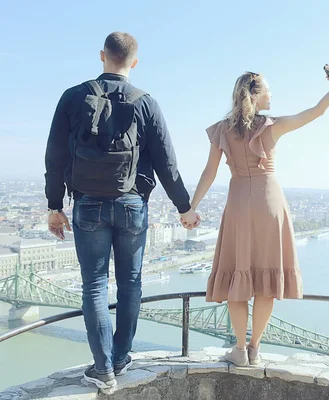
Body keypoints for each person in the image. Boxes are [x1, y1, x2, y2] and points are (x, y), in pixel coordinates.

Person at [44, 32, 200, 389]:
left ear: (102, 56)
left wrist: (55, 206)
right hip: (132, 205)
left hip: (87, 204)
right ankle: (120, 357)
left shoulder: (73, 97)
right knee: (130, 283)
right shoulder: (147, 103)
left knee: (94, 286)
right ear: (134, 62)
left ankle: (102, 369)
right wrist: (184, 207)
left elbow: (55, 157)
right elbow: (167, 164)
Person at [189, 65, 329, 366]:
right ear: (257, 96)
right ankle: (255, 348)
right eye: (269, 90)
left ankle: (238, 349)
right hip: (269, 203)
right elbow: (317, 111)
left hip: (238, 204)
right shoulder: (272, 126)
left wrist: (192, 206)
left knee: (238, 276)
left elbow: (209, 172)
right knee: (266, 280)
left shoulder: (222, 130)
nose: (272, 94)